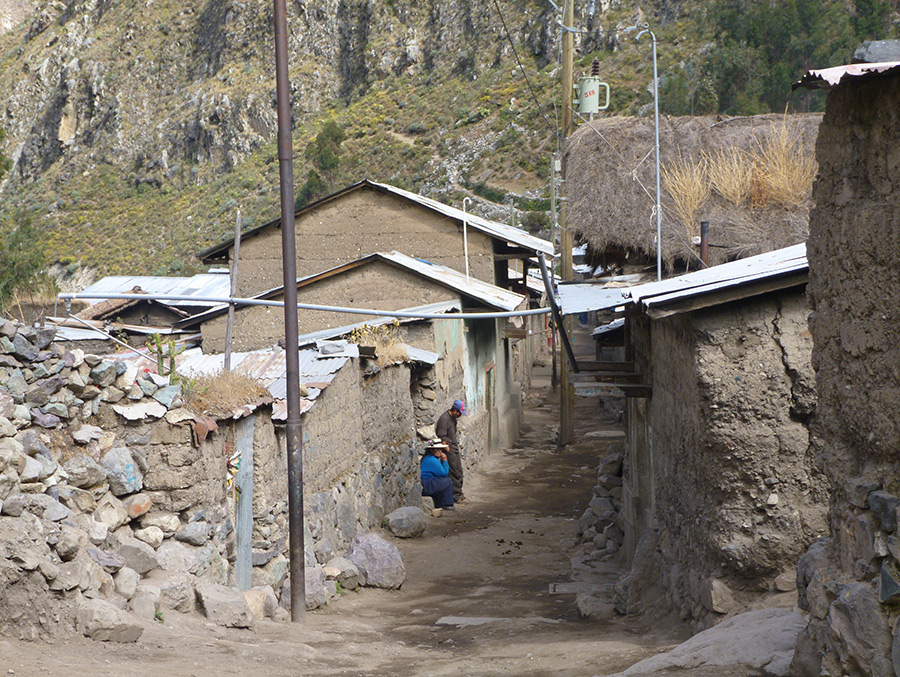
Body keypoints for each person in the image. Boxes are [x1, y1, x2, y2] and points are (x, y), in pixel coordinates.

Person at [435, 399, 466, 503]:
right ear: (455, 410)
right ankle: (455, 496)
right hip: (449, 449)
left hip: (454, 447)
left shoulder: (453, 419)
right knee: (454, 472)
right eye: (460, 413)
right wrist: (447, 448)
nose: (460, 415)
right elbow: (441, 435)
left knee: (459, 471)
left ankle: (458, 493)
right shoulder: (444, 419)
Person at [420, 442, 454, 510]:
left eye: (441, 449)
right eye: (437, 449)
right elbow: (444, 473)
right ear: (432, 450)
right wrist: (445, 460)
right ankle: (446, 503)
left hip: (427, 481)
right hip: (426, 483)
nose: (440, 451)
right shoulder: (432, 460)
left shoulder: (430, 457)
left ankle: (439, 502)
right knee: (447, 481)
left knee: (441, 481)